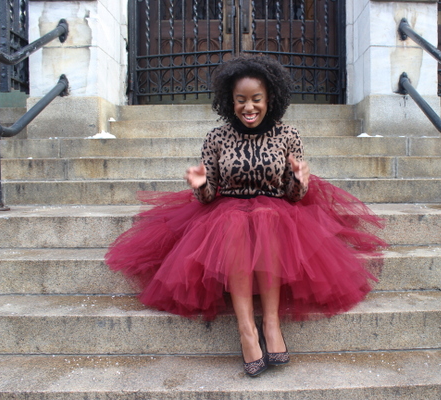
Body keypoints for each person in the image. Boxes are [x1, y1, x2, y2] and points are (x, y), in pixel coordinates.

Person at [105, 55, 386, 377]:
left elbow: (294, 197)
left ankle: (270, 324)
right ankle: (246, 330)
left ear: (270, 100)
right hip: (228, 208)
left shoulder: (288, 135)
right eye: (240, 100)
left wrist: (300, 180)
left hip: (275, 207)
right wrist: (199, 184)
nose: (248, 107)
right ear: (230, 101)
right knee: (235, 223)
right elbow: (208, 196)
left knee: (267, 219)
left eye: (256, 99)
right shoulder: (217, 138)